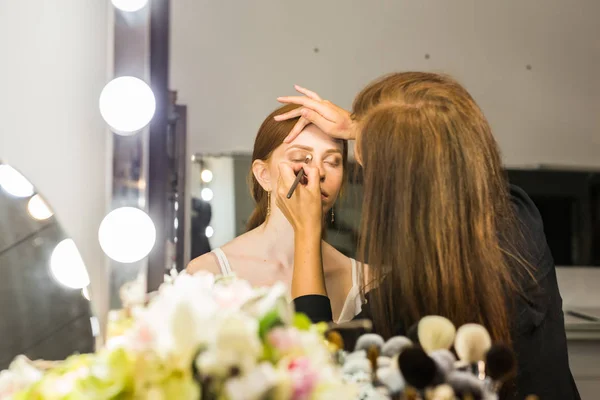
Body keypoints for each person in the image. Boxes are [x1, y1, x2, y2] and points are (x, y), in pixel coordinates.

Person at [274, 73, 579, 399]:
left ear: (400, 189)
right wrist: (370, 128)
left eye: (364, 162)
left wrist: (306, 232)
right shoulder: (518, 213)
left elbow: (322, 366)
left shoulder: (416, 297)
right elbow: (440, 152)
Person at [187, 104, 364, 323]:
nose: (318, 173)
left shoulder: (365, 281)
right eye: (300, 158)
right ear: (263, 175)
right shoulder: (207, 274)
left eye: (332, 161)